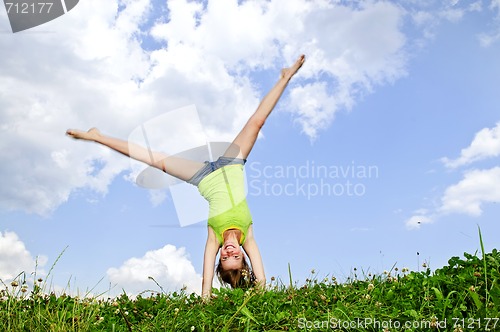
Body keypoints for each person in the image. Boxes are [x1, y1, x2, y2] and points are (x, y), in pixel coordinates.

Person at [66, 54, 306, 298]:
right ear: (244, 257)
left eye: (225, 259)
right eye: (236, 257)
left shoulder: (213, 237)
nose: (230, 252)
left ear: (219, 259)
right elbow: (261, 278)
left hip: (203, 176)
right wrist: (259, 288)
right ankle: (285, 77)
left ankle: (97, 136)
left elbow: (206, 269)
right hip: (232, 164)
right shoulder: (248, 236)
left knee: (154, 159)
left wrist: (205, 294)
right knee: (257, 122)